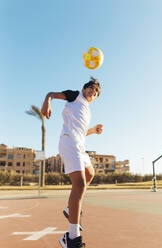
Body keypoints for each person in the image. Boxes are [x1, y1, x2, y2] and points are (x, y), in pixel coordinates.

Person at [41, 77, 103, 248]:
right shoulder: (75, 96)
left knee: (90, 173)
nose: (93, 91)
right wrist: (47, 101)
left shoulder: (87, 111)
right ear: (84, 89)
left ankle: (70, 209)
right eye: (91, 88)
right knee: (80, 184)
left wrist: (93, 130)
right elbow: (52, 94)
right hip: (69, 142)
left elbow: (81, 132)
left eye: (96, 92)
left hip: (79, 144)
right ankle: (71, 238)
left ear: (96, 98)